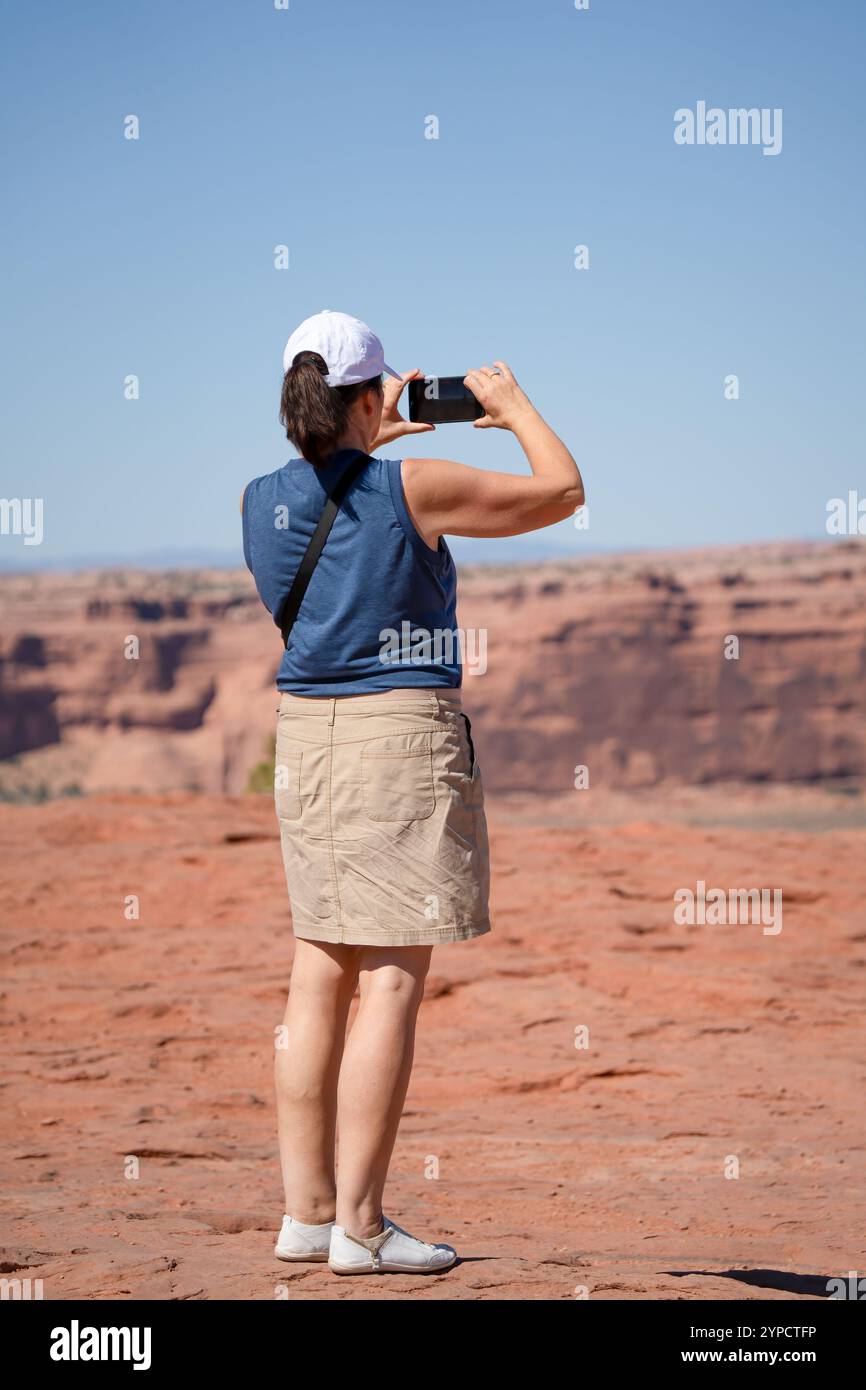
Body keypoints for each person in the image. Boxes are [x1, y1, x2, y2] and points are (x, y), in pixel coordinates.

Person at [241, 309, 584, 1276]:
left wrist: (366, 440)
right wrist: (513, 406)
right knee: (391, 977)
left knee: (318, 970)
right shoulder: (414, 489)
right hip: (398, 740)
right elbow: (563, 491)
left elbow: (334, 515)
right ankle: (362, 1226)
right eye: (382, 388)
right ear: (366, 395)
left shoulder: (257, 500)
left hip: (306, 739)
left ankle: (307, 1216)